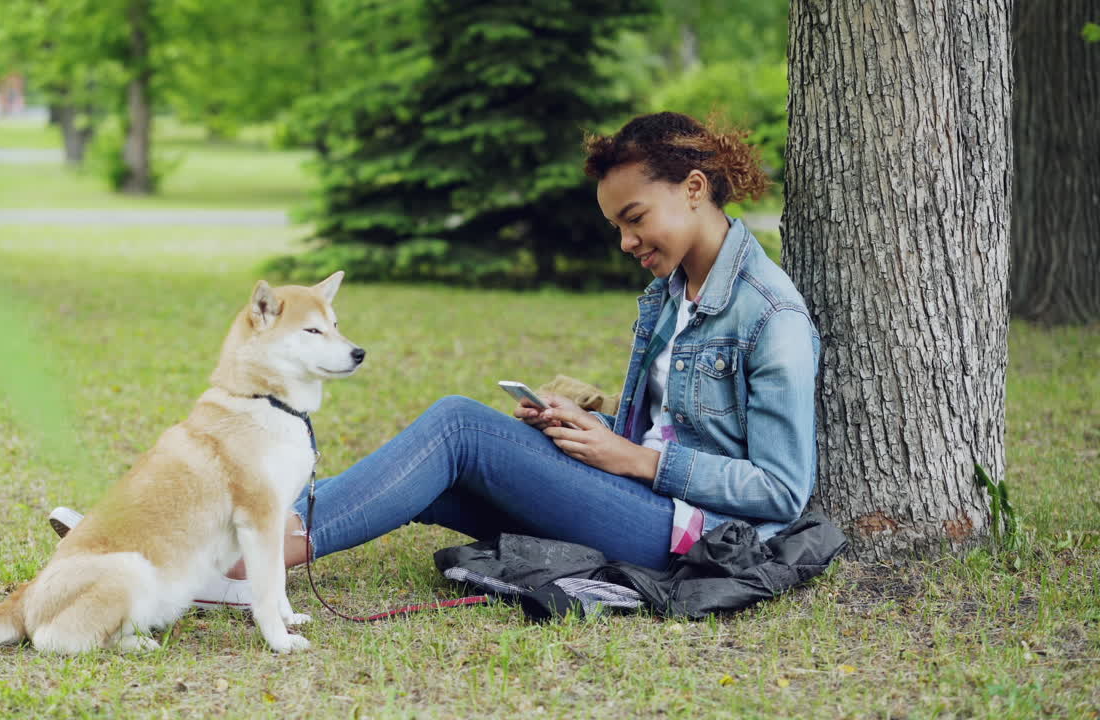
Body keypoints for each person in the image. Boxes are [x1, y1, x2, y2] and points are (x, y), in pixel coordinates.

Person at [49, 111, 820, 610]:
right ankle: (186, 549)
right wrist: (586, 428)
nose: (625, 241)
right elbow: (661, 427)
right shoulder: (671, 289)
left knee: (456, 429)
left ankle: (243, 561)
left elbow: (782, 492)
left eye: (634, 219)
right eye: (618, 224)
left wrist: (632, 461)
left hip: (687, 532)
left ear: (693, 190)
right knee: (435, 469)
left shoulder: (770, 315)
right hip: (638, 498)